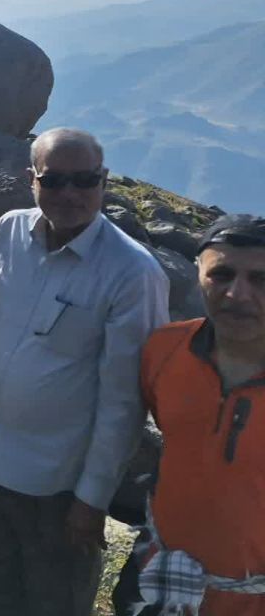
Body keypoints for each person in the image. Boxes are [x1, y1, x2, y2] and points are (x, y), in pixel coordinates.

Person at [0, 127, 169, 616]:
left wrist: (92, 499)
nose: (70, 193)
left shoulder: (132, 272)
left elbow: (125, 400)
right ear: (31, 179)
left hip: (56, 488)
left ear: (104, 180)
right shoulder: (9, 231)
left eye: (85, 180)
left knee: (52, 601)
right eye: (54, 180)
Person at [122, 214, 265, 615]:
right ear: (197, 272)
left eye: (261, 279)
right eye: (221, 274)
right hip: (158, 574)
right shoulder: (164, 349)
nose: (237, 294)